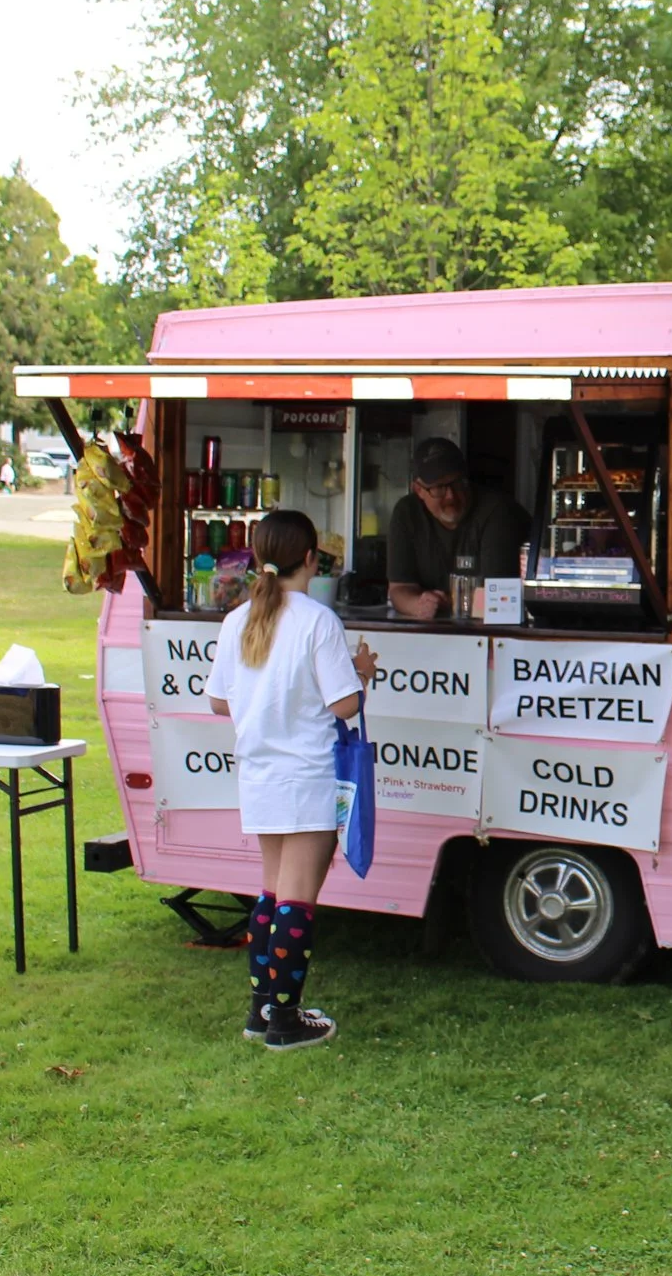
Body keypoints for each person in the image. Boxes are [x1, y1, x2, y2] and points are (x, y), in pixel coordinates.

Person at [207, 509, 377, 1051]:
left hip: (258, 772)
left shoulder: (238, 620)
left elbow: (216, 699)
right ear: (311, 559)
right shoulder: (316, 620)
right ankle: (285, 1020)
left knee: (272, 894)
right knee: (297, 901)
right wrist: (363, 673)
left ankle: (263, 1011)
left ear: (257, 557)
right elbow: (345, 703)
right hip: (308, 773)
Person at [386, 437, 530, 619]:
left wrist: (454, 601)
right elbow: (399, 588)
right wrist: (418, 605)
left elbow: (499, 600)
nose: (451, 496)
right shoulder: (406, 513)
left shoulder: (497, 511)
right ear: (418, 490)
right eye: (439, 488)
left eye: (457, 483)